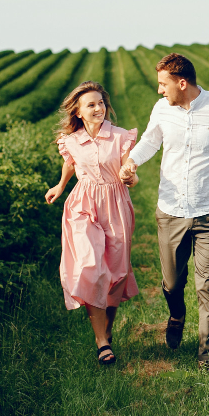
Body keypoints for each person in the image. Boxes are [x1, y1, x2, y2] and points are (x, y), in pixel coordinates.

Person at [119, 53, 209, 370]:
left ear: (181, 83)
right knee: (172, 283)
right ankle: (176, 314)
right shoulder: (162, 109)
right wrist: (131, 161)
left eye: (163, 84)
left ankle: (206, 356)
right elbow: (149, 141)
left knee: (207, 286)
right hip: (170, 209)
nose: (159, 90)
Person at [45, 81, 139, 365]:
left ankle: (106, 334)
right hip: (83, 205)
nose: (98, 108)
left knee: (115, 274)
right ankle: (101, 342)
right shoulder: (70, 140)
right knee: (90, 267)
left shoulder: (120, 137)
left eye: (101, 103)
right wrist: (60, 186)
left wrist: (130, 177)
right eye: (91, 104)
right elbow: (71, 163)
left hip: (116, 205)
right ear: (78, 111)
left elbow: (129, 168)